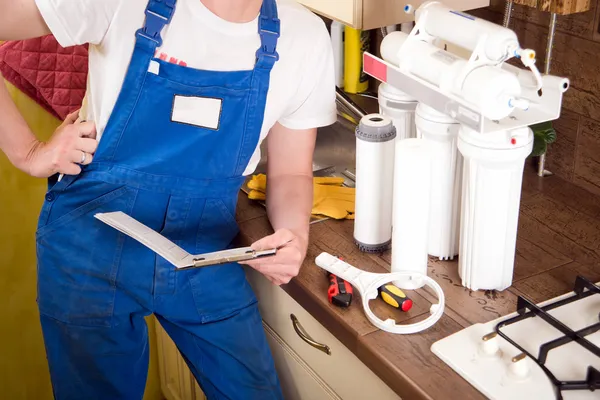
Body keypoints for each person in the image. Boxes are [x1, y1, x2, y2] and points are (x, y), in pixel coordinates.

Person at [0, 0, 336, 398]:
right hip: (90, 250)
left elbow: (291, 171)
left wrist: (293, 234)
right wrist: (30, 152)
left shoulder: (304, 36)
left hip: (204, 248)